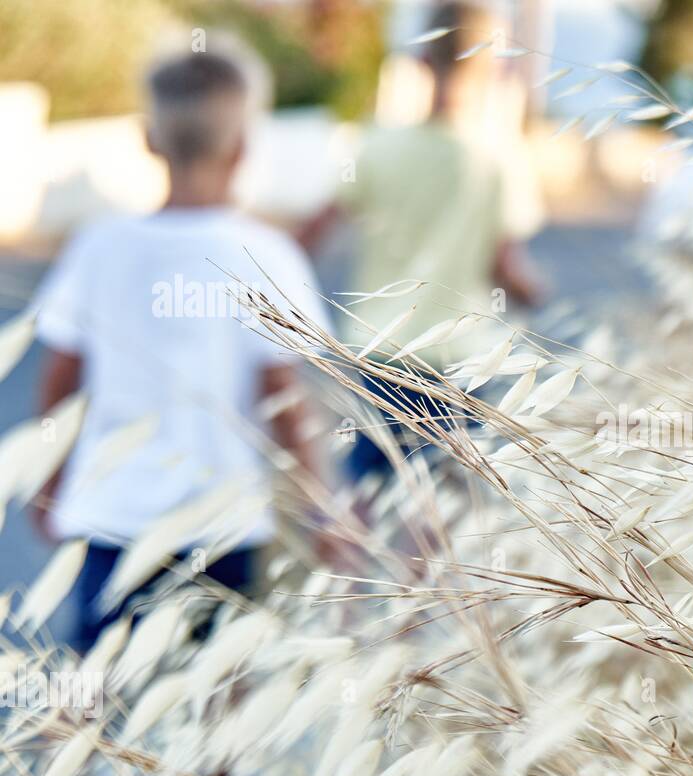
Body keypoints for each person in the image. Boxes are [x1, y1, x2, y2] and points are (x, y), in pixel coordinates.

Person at [31, 48, 333, 655]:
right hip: (225, 524)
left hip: (111, 516)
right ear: (243, 145)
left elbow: (59, 383)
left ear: (148, 139)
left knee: (101, 693)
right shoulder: (268, 254)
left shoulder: (99, 247)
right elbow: (285, 400)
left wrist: (50, 482)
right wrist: (322, 508)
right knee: (220, 704)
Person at [300, 1, 543, 484]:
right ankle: (420, 565)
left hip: (378, 351)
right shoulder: (496, 160)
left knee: (371, 481)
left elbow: (311, 234)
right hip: (458, 357)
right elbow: (506, 268)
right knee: (445, 496)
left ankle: (359, 558)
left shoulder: (376, 145)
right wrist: (537, 294)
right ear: (494, 69)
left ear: (421, 63)